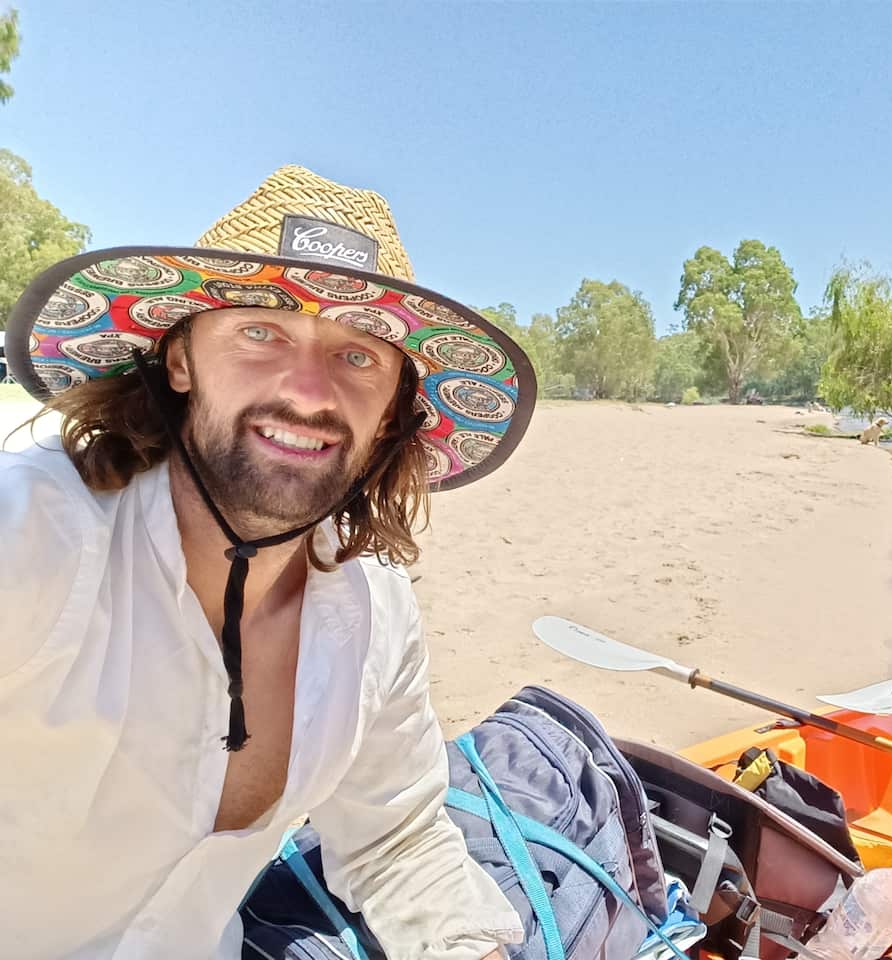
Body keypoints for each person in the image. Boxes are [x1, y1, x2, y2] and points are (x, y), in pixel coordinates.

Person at [0, 166, 536, 959]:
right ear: (180, 360)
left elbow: (398, 843)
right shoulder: (34, 533)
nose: (309, 393)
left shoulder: (375, 618)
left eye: (359, 356)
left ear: (393, 410)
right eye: (260, 332)